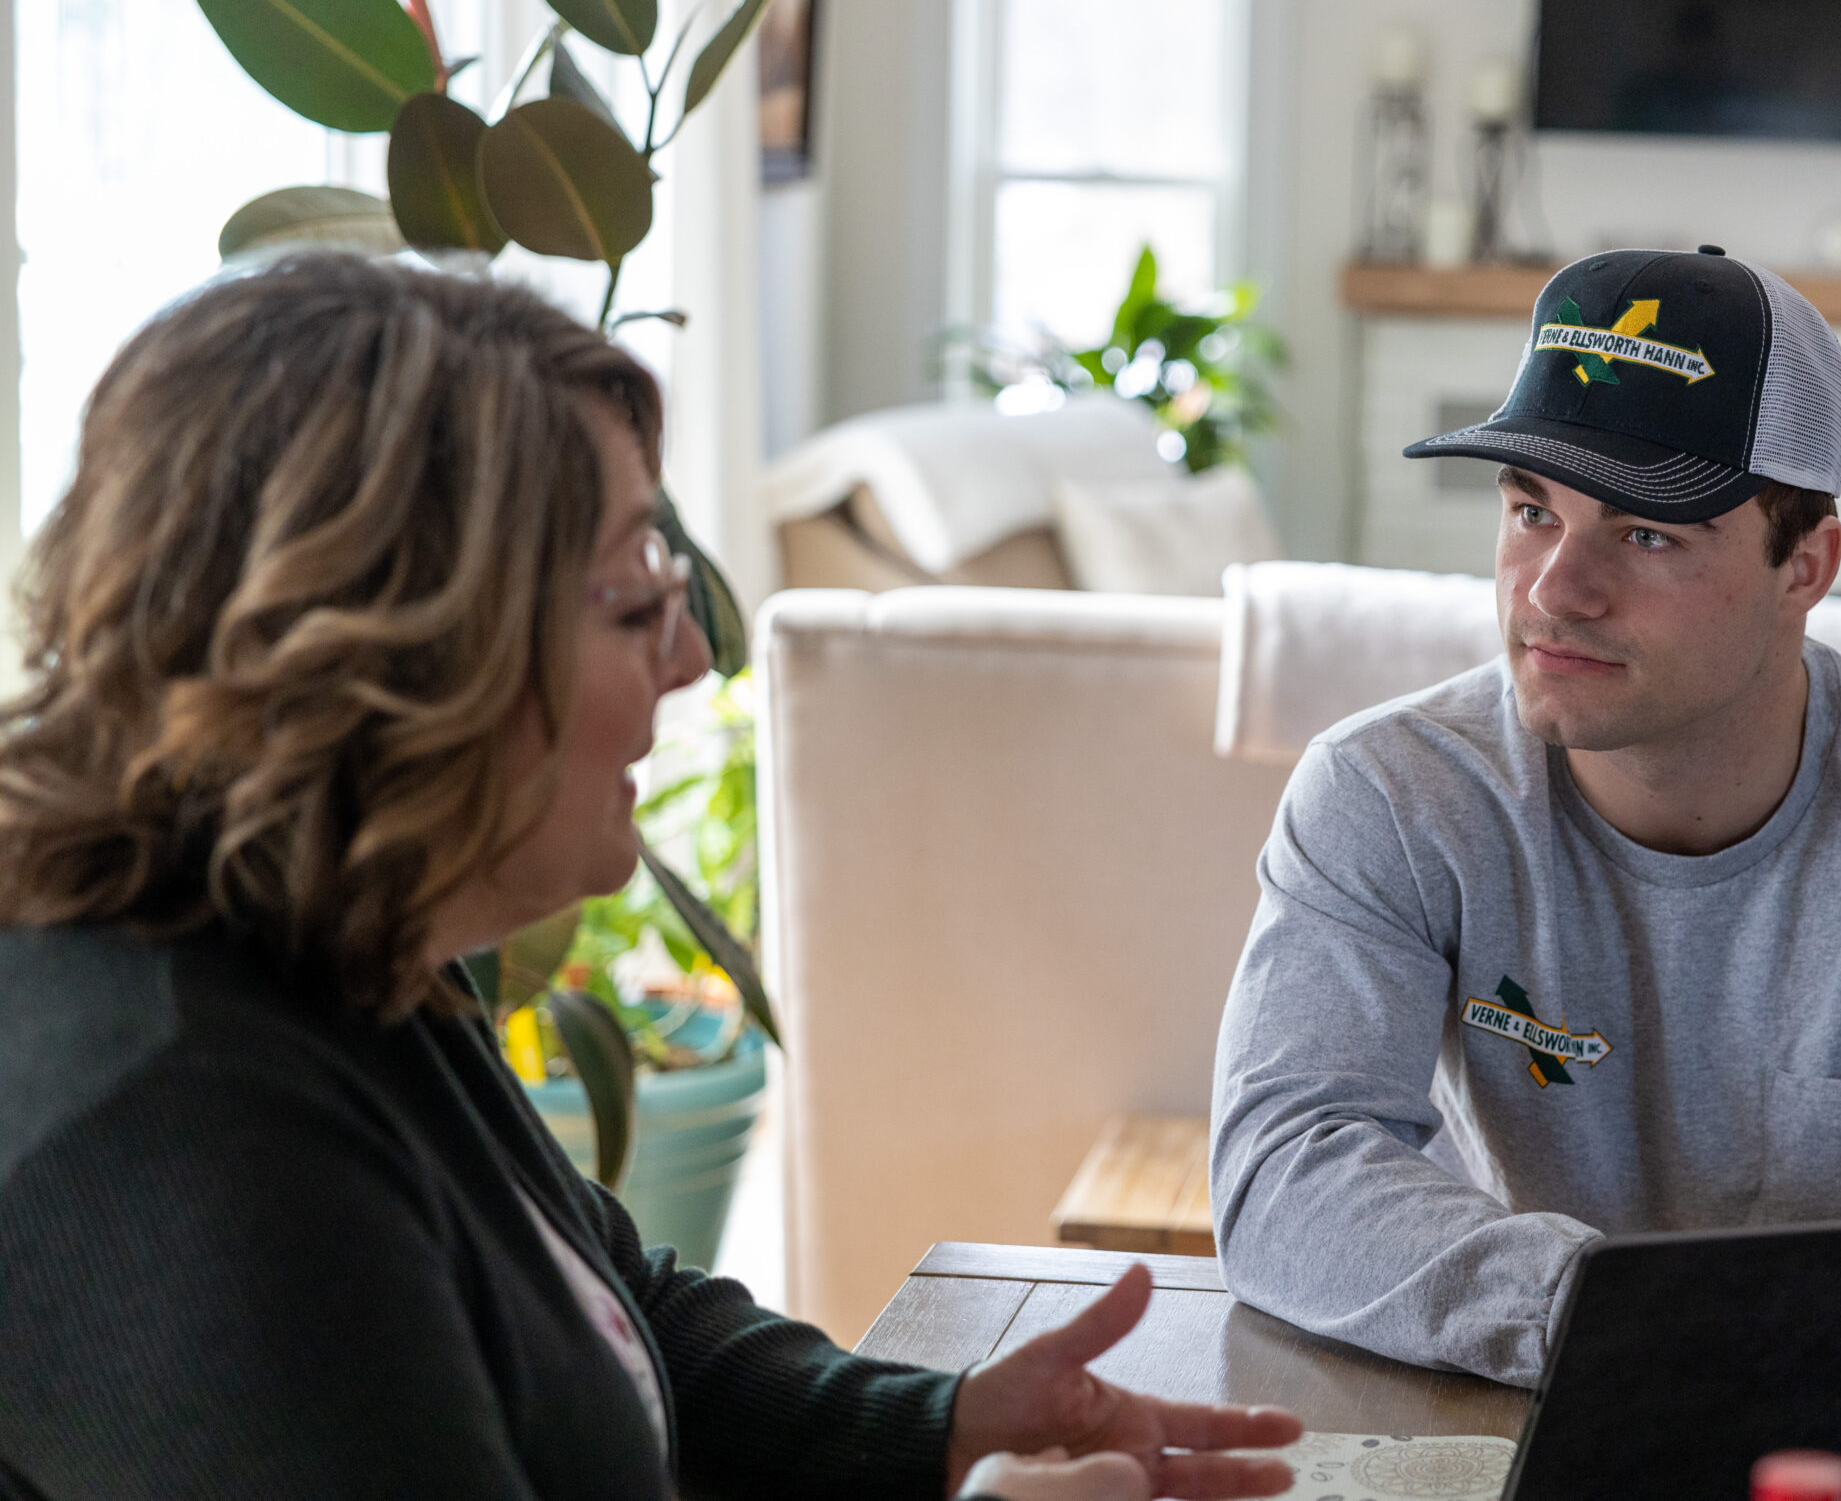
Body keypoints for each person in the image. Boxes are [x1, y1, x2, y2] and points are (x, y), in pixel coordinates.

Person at [0, 255, 1300, 1501]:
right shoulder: (171, 1141)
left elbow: (603, 1296)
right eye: (634, 602)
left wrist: (935, 1427)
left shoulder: (341, 924)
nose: (688, 657)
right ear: (407, 657)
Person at [1209, 247, 1841, 1474]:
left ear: (1802, 566)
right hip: (1512, 1409)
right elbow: (1289, 1159)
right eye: (1531, 508)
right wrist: (1613, 1314)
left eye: (1648, 534)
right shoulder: (1388, 795)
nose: (1557, 588)